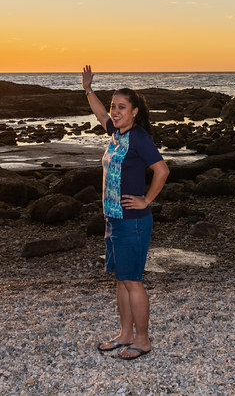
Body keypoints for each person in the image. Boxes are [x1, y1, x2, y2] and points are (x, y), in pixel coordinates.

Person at [82, 64, 169, 361]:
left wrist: (146, 200)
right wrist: (89, 90)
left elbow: (162, 170)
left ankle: (142, 340)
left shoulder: (139, 137)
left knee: (133, 281)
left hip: (133, 221)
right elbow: (100, 115)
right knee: (121, 279)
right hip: (114, 218)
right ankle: (125, 334)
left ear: (134, 111)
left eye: (122, 107)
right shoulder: (116, 133)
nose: (115, 111)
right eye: (114, 106)